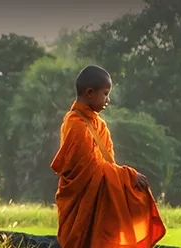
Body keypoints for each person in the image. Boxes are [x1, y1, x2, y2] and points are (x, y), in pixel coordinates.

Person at [51, 65, 165, 248]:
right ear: (89, 93)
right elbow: (90, 169)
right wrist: (127, 175)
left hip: (99, 201)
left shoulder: (99, 125)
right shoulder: (75, 125)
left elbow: (107, 163)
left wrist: (124, 178)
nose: (108, 99)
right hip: (80, 206)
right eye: (105, 94)